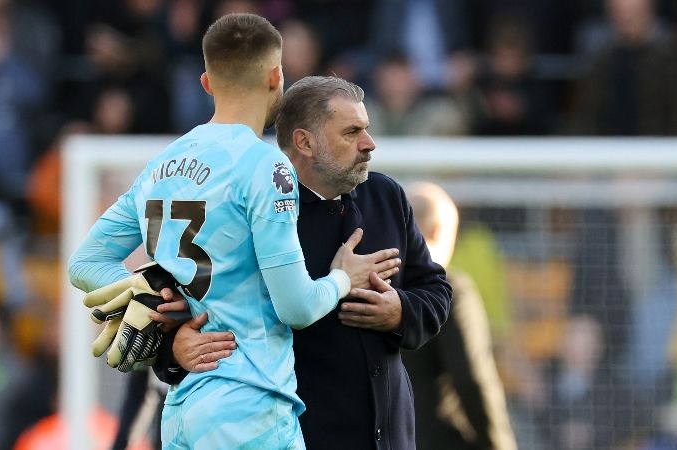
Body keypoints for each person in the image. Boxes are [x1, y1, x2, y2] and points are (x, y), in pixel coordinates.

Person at [68, 14, 400, 449]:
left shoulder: (161, 165)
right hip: (251, 406)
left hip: (183, 409)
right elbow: (297, 307)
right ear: (276, 76)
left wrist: (159, 304)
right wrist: (343, 278)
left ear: (207, 83)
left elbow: (85, 263)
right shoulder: (265, 166)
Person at [153, 76, 453, 450]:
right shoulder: (245, 210)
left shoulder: (386, 197)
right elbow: (170, 303)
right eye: (351, 132)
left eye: (367, 129)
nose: (369, 143)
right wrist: (173, 351)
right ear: (305, 142)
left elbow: (436, 290)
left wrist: (400, 312)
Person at [402, 181, 517, 450]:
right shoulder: (451, 291)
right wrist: (498, 444)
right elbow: (472, 379)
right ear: (439, 231)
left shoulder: (364, 285)